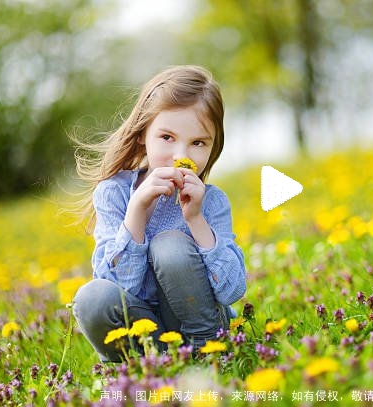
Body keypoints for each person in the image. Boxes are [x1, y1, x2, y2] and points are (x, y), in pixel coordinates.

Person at [71, 65, 246, 362]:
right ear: (143, 134)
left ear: (213, 147)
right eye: (167, 137)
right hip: (145, 333)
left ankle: (208, 355)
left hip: (200, 329)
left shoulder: (212, 201)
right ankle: (147, 366)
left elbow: (232, 290)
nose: (182, 156)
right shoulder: (113, 193)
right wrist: (137, 211)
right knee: (91, 297)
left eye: (198, 143)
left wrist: (196, 220)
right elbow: (116, 287)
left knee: (169, 244)